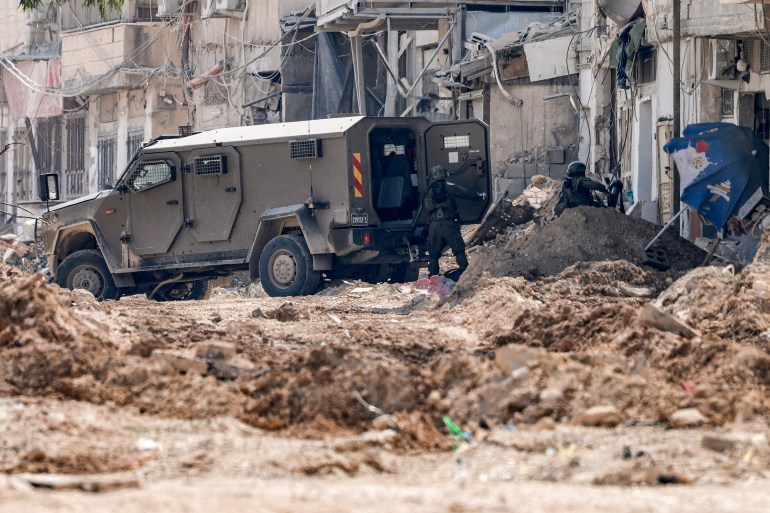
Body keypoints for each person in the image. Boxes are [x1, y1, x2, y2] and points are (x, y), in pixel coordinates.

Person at [424, 164, 485, 278]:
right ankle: (465, 274)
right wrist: (480, 195)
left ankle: (433, 278)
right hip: (449, 224)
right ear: (445, 175)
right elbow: (467, 193)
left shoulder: (428, 191)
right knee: (458, 250)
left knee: (433, 255)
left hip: (434, 226)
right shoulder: (450, 187)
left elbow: (426, 209)